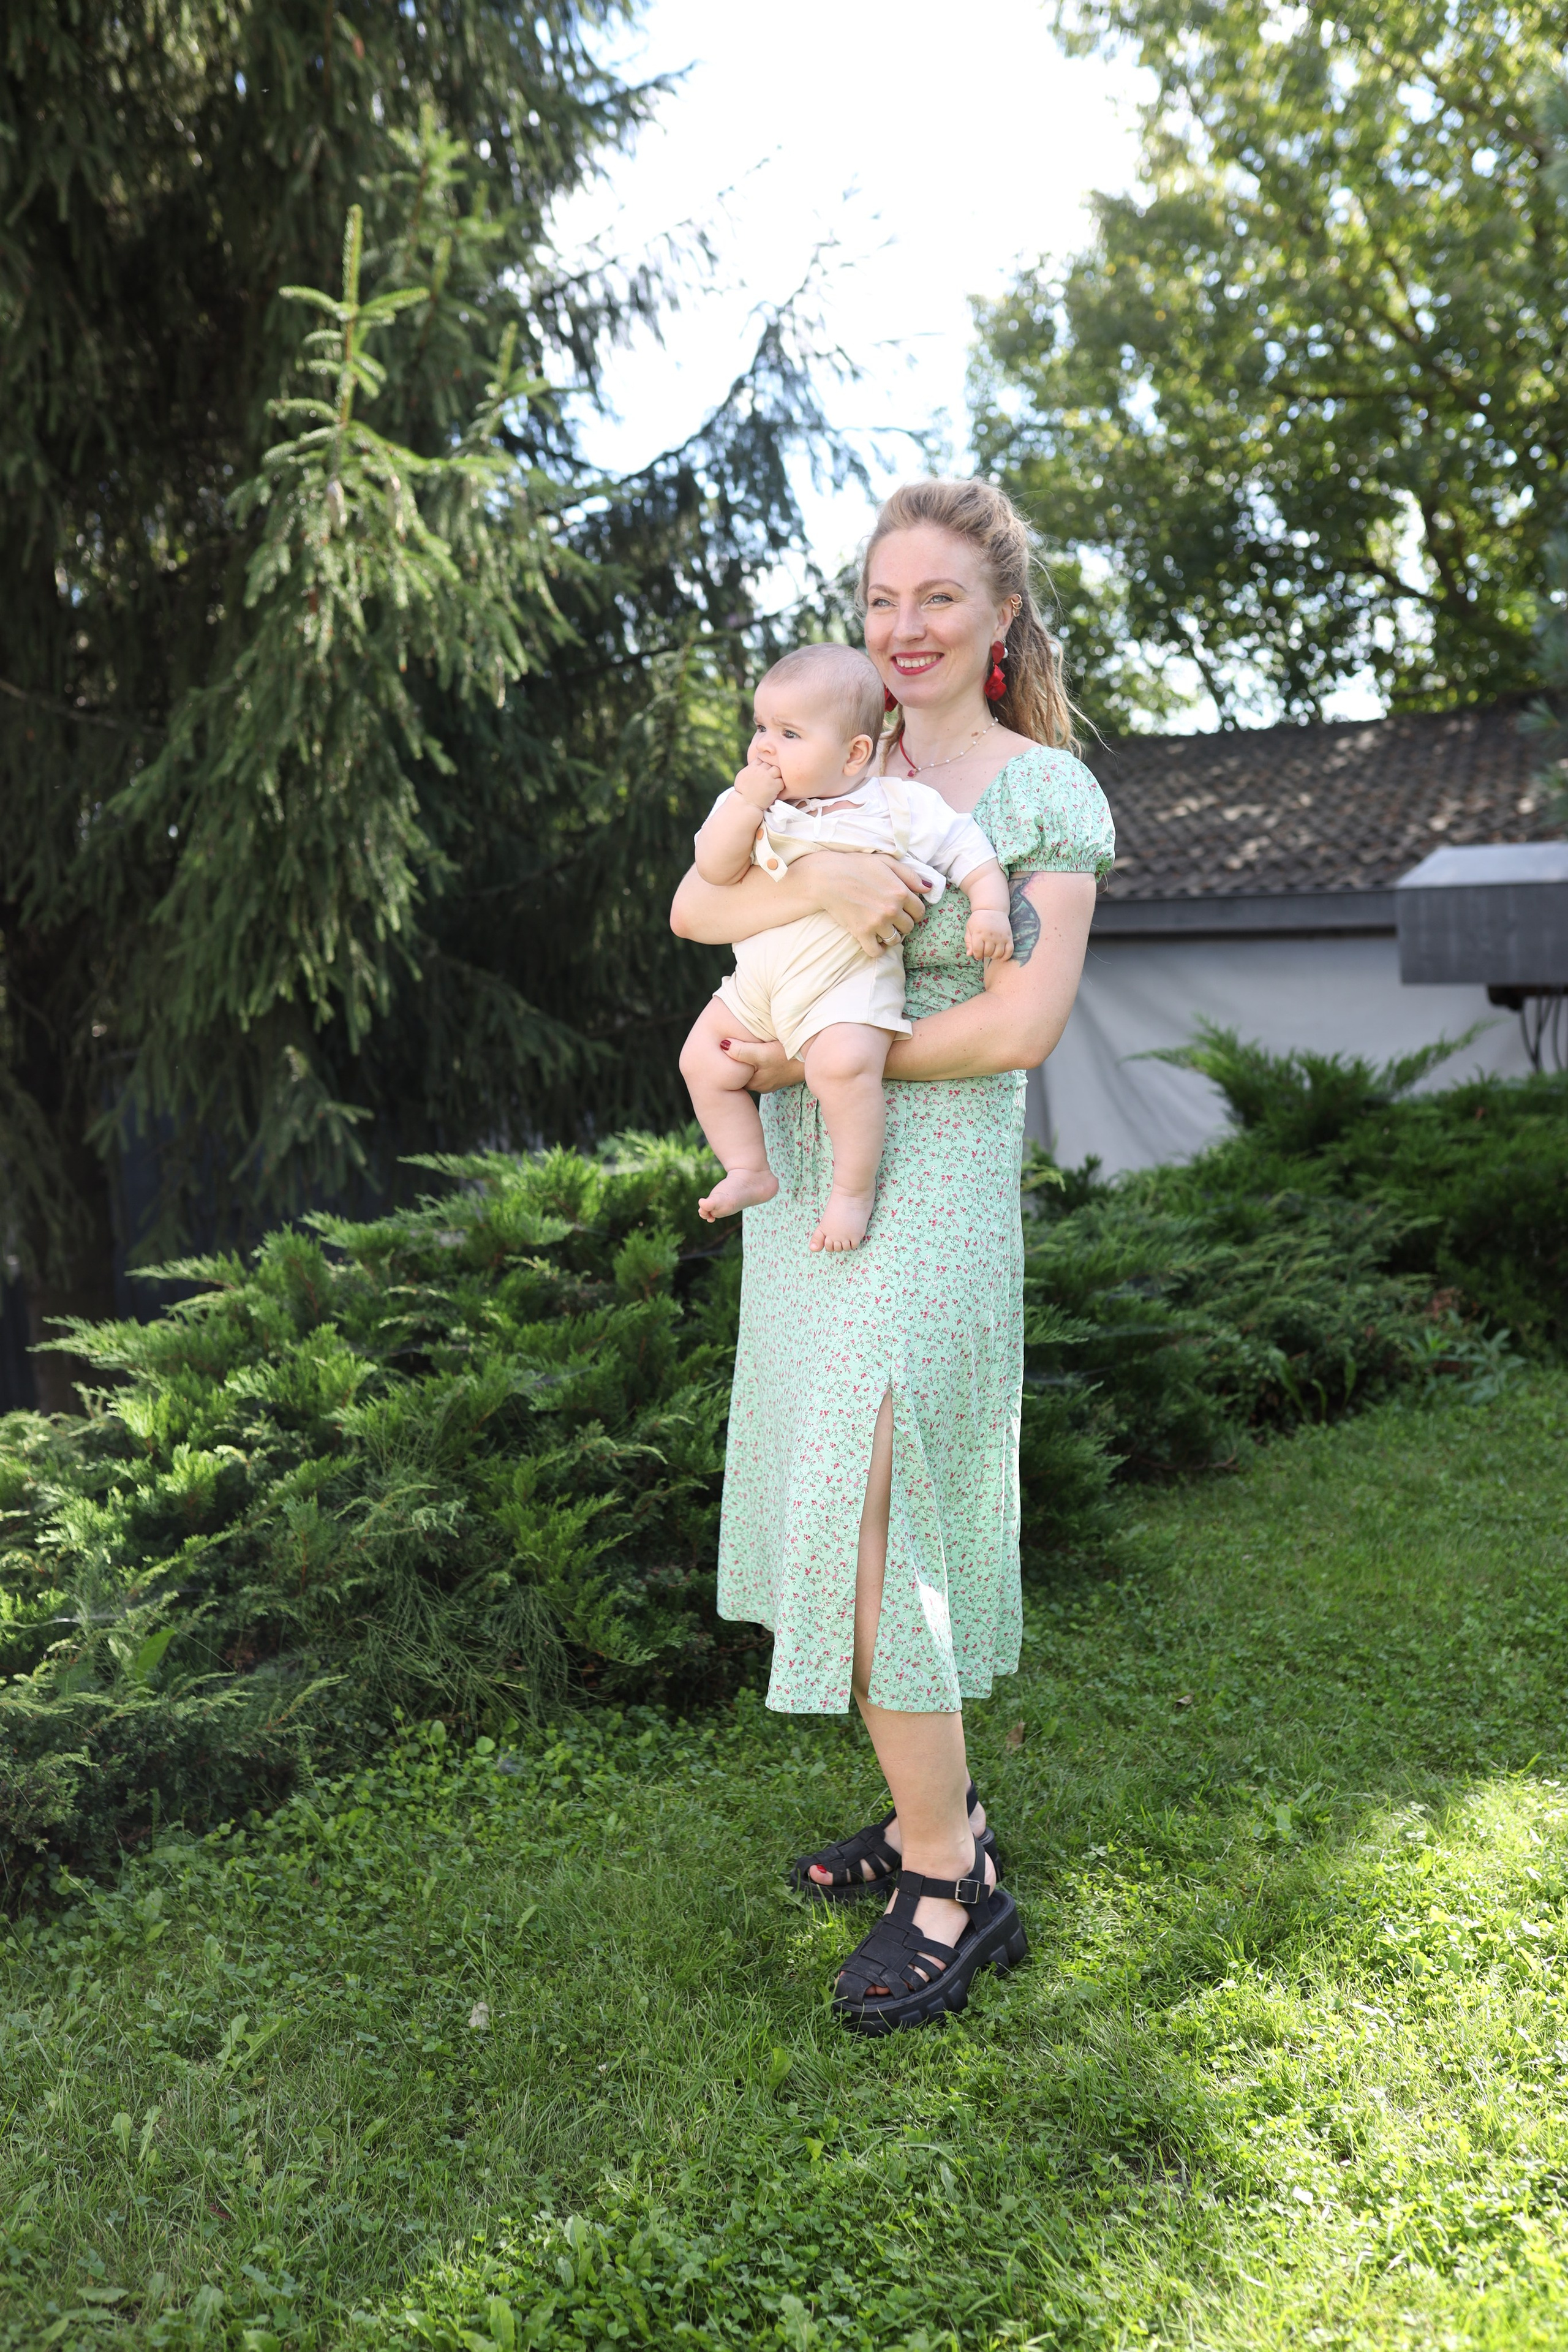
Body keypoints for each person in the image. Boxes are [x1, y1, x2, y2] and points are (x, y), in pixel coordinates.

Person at [669, 478, 1115, 2034]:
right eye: (879, 597)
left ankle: (949, 1884)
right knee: (838, 1500)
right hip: (807, 1196)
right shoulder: (812, 755)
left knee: (873, 1507)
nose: (903, 626)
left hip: (923, 1190)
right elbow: (696, 900)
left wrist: (812, 1063)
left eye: (937, 599)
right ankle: (942, 1813)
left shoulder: (1040, 793)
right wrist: (812, 883)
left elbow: (1020, 1023)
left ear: (998, 619)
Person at [679, 641, 1013, 1252]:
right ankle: (748, 1168)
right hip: (757, 987)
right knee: (701, 1059)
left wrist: (988, 908)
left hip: (843, 987)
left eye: (788, 733)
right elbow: (712, 870)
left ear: (855, 752)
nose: (763, 747)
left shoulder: (893, 805)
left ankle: (851, 1193)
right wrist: (747, 803)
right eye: (760, 727)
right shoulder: (754, 810)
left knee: (841, 1067)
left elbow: (969, 851)